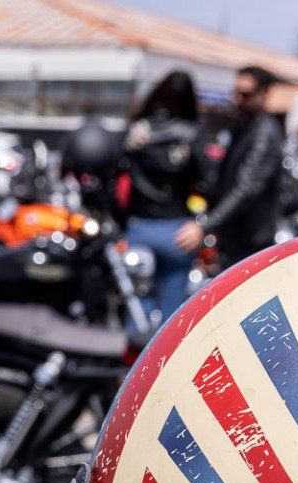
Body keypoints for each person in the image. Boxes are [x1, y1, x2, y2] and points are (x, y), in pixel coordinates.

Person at [119, 70, 212, 324]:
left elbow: (115, 172)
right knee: (174, 315)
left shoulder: (138, 132)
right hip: (177, 231)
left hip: (139, 226)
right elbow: (209, 182)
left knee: (137, 309)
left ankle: (134, 362)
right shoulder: (193, 133)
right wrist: (201, 224)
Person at [180, 64, 284, 271]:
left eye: (245, 94)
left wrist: (205, 225)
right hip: (232, 238)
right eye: (236, 92)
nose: (237, 99)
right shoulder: (242, 127)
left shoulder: (264, 133)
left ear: (263, 94)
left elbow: (246, 188)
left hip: (251, 242)